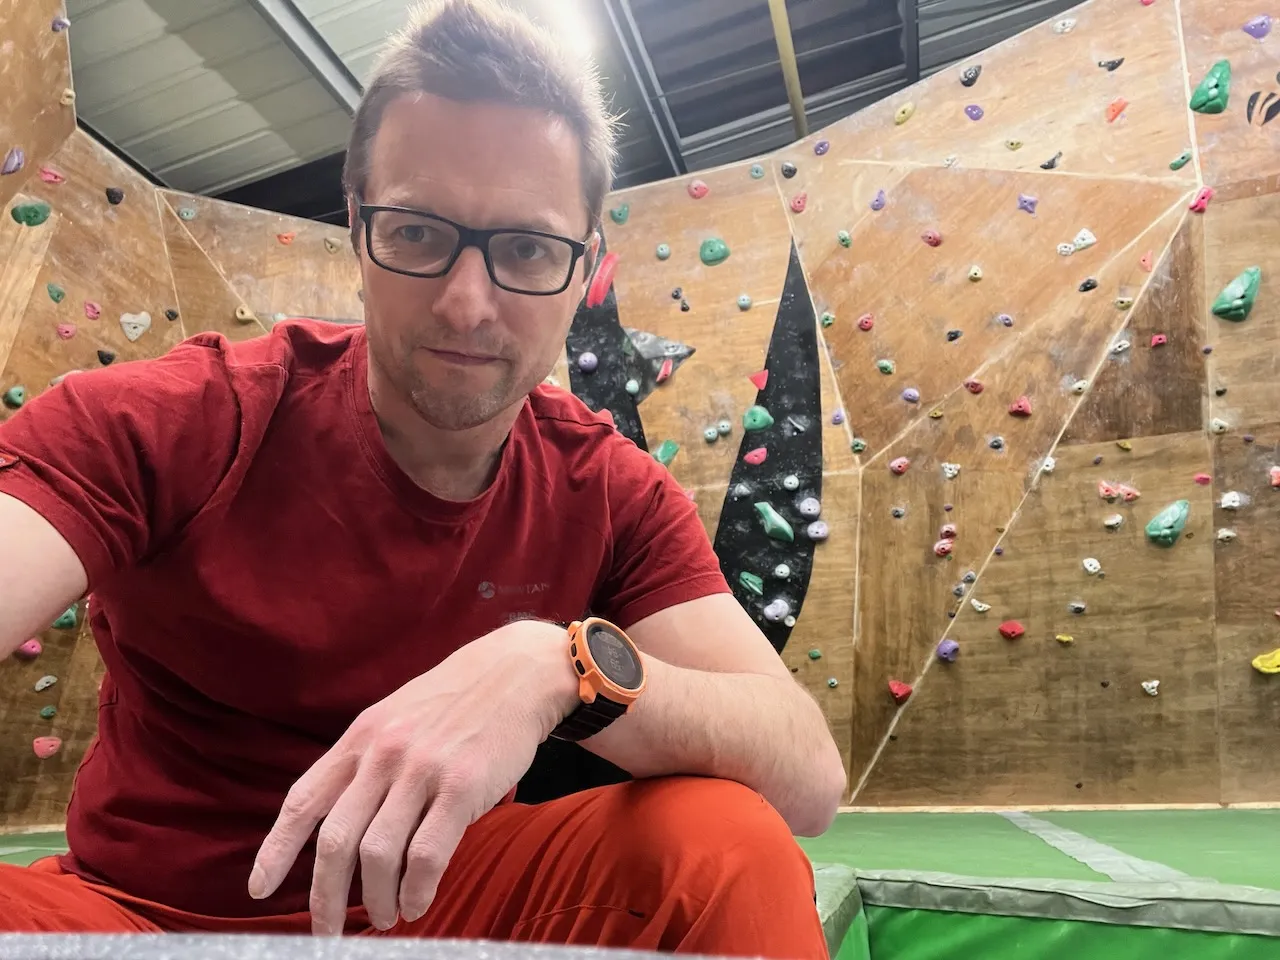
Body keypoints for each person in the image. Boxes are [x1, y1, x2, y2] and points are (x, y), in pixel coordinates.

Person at [0, 0, 845, 954]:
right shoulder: (174, 419)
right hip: (137, 915)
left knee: (725, 849)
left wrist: (559, 668)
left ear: (584, 271)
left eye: (527, 249)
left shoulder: (610, 490)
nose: (467, 304)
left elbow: (808, 776)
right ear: (358, 229)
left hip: (453, 905)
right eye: (416, 233)